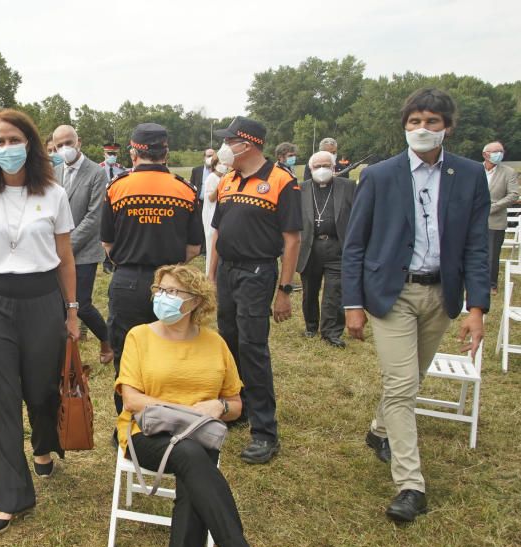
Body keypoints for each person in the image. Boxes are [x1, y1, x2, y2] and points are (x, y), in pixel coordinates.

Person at [117, 264, 304, 547]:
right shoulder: (139, 336)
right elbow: (131, 400)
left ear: (196, 303)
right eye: (159, 289)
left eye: (173, 292)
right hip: (146, 437)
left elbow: (236, 405)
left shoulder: (215, 343)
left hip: (198, 441)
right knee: (191, 457)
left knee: (193, 474)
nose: (162, 297)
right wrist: (188, 410)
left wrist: (217, 405)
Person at [343, 88, 490, 523]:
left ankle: (378, 430)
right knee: (403, 384)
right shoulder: (379, 175)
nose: (422, 129)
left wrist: (476, 308)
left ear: (447, 126)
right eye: (414, 122)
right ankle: (410, 483)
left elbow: (477, 246)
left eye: (431, 122)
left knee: (410, 378)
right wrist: (353, 304)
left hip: (441, 294)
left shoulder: (468, 175)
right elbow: (355, 245)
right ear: (404, 126)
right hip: (392, 295)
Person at [0, 109, 79, 536]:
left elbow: (65, 257)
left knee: (42, 390)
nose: (7, 148)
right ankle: (10, 496)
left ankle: (44, 444)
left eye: (14, 139)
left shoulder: (53, 193)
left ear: (30, 143)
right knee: (1, 399)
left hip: (43, 300)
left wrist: (72, 310)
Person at [207, 116, 301, 465]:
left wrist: (285, 289)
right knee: (229, 343)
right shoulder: (229, 180)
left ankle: (265, 431)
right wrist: (212, 275)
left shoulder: (281, 181)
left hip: (258, 272)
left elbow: (292, 240)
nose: (224, 148)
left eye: (229, 141)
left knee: (253, 348)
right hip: (229, 272)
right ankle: (238, 407)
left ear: (247, 144)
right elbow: (217, 232)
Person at [101, 122, 204, 425]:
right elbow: (195, 246)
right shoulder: (185, 190)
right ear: (166, 152)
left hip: (128, 281)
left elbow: (107, 242)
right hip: (172, 285)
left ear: (133, 152)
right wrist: (169, 268)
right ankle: (167, 420)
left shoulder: (117, 188)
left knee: (127, 352)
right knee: (172, 352)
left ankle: (127, 421)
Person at [52, 123, 113, 363]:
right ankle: (66, 353)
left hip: (83, 252)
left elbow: (94, 217)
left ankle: (107, 340)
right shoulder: (55, 173)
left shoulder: (96, 173)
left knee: (83, 304)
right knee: (59, 305)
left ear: (79, 142)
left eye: (69, 142)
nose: (65, 148)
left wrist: (65, 246)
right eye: (59, 145)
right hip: (56, 252)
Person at [298, 150, 355, 347]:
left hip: (337, 247)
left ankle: (331, 332)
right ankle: (311, 326)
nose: (322, 170)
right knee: (309, 290)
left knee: (334, 292)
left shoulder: (347, 186)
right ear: (310, 168)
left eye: (326, 166)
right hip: (310, 247)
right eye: (317, 166)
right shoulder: (301, 189)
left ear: (333, 167)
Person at [481, 141, 519, 293]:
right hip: (473, 219)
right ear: (485, 154)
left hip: (495, 220)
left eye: (501, 151)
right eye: (496, 151)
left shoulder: (509, 172)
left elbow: (513, 194)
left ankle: (491, 285)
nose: (500, 154)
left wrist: (493, 207)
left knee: (492, 254)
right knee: (471, 252)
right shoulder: (475, 169)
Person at [202, 156, 227, 275]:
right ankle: (210, 273)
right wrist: (221, 185)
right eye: (221, 163)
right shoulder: (211, 178)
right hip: (210, 214)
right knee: (211, 244)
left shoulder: (224, 177)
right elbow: (211, 198)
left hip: (221, 213)